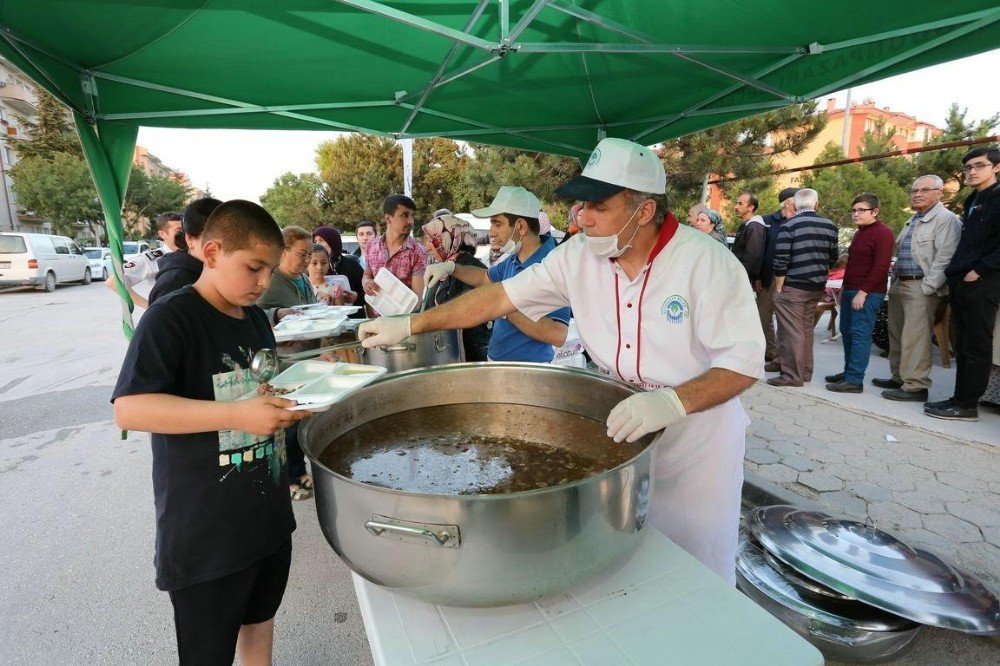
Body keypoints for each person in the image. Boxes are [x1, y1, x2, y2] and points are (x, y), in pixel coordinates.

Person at [361, 138, 765, 583]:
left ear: (644, 210)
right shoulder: (578, 255)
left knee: (696, 565)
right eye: (579, 206)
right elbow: (499, 296)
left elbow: (743, 363)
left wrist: (671, 403)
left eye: (598, 206)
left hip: (696, 443)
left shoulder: (705, 262)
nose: (583, 218)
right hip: (622, 426)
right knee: (628, 557)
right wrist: (412, 325)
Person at [111, 200, 309, 664]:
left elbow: (260, 384)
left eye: (270, 270)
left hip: (266, 514)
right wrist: (239, 415)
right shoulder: (172, 317)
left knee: (260, 621)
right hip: (206, 532)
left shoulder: (256, 317)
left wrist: (290, 401)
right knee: (207, 650)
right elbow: (130, 409)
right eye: (254, 268)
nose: (264, 283)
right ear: (213, 251)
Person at [424, 186, 570, 362]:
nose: (491, 233)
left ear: (521, 226)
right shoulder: (514, 259)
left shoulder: (553, 266)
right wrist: (452, 268)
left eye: (497, 223)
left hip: (528, 370)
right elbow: (484, 277)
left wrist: (503, 307)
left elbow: (557, 334)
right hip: (497, 362)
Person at [925, 147, 1000, 421]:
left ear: (996, 168)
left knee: (977, 345)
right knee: (964, 344)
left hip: (983, 281)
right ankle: (959, 398)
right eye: (968, 167)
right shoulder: (973, 199)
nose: (972, 171)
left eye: (979, 165)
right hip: (962, 280)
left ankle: (967, 405)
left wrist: (979, 270)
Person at [872, 175, 961, 401]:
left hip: (921, 286)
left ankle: (916, 386)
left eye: (924, 190)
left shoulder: (946, 219)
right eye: (914, 190)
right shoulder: (913, 219)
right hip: (901, 283)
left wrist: (929, 286)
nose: (917, 194)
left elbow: (945, 257)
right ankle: (899, 377)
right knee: (897, 334)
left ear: (940, 193)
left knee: (915, 338)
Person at [768, 188, 839, 387]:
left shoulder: (790, 225)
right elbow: (833, 257)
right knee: (806, 329)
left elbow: (781, 260)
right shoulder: (830, 226)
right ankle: (805, 371)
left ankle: (792, 375)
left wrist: (779, 288)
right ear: (816, 204)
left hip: (793, 286)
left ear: (796, 205)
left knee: (792, 331)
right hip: (816, 285)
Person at [824, 194, 894, 393]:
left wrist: (863, 292)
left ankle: (855, 380)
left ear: (875, 212)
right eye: (854, 210)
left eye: (861, 210)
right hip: (851, 289)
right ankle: (848, 373)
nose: (856, 214)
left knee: (860, 334)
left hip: (867, 292)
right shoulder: (860, 232)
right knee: (846, 331)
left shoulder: (883, 233)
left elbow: (881, 266)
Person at [421, 213, 491, 361]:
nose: (427, 247)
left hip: (470, 356)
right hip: (448, 351)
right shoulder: (442, 268)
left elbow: (466, 313)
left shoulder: (471, 269)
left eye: (432, 240)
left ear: (449, 239)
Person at [149, 198, 222, 306]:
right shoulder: (173, 284)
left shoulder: (220, 270)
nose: (223, 247)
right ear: (190, 239)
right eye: (211, 239)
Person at [104, 211, 183, 309]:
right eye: (179, 230)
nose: (184, 234)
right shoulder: (152, 258)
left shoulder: (194, 253)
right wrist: (150, 307)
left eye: (186, 230)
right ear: (162, 234)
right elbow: (113, 281)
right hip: (170, 316)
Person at [758, 188, 800, 371]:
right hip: (769, 276)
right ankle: (770, 350)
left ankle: (783, 357)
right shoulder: (767, 222)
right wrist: (758, 276)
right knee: (763, 315)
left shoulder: (801, 222)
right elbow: (760, 250)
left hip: (792, 278)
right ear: (788, 202)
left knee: (786, 320)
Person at [362, 194, 428, 302]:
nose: (410, 221)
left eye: (412, 216)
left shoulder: (418, 252)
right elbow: (367, 275)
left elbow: (416, 299)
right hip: (375, 315)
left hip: (405, 316)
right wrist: (366, 283)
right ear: (388, 218)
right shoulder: (371, 246)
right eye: (405, 215)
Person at [313, 225, 365, 316]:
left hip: (352, 320)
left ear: (333, 242)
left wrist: (356, 297)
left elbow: (369, 294)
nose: (318, 244)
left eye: (321, 240)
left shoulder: (351, 265)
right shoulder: (310, 267)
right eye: (315, 241)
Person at [731, 191, 767, 285]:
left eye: (740, 204)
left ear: (751, 207)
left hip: (742, 279)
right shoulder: (746, 225)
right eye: (737, 203)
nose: (736, 207)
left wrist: (740, 278)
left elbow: (752, 257)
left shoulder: (755, 227)